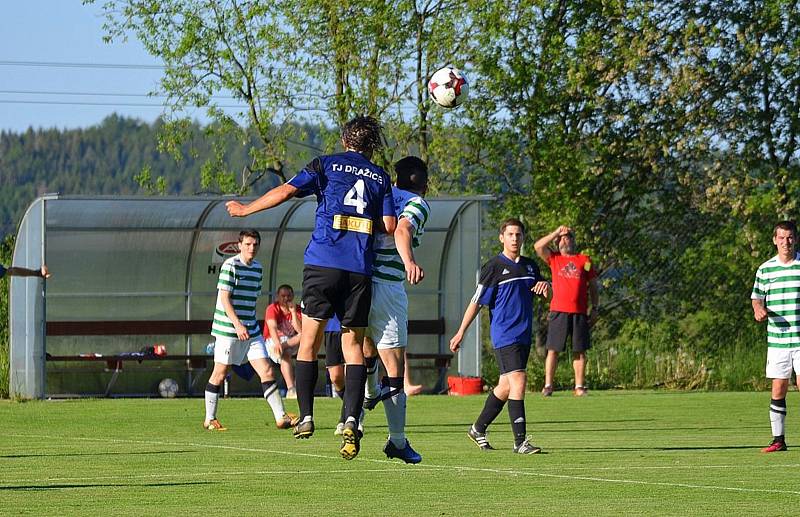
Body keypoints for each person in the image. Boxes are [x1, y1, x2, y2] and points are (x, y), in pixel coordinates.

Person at [226, 115, 397, 460]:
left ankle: (305, 416)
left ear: (346, 138)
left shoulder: (327, 164)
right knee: (353, 348)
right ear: (371, 145)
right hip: (358, 270)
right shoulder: (380, 176)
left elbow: (286, 190)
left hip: (322, 262)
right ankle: (350, 418)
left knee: (309, 342)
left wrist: (246, 210)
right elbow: (390, 225)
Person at [450, 218, 550, 454]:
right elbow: (477, 302)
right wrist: (461, 331)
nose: (515, 238)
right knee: (519, 380)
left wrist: (547, 287)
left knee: (505, 385)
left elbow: (545, 292)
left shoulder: (530, 266)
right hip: (505, 334)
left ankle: (478, 428)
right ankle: (520, 442)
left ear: (523, 238)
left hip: (523, 334)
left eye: (518, 235)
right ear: (501, 238)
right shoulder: (493, 267)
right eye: (510, 234)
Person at [362, 156, 428, 464]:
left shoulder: (378, 192)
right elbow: (402, 231)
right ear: (424, 184)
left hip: (357, 279)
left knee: (363, 350)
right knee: (394, 367)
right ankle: (397, 441)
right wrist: (409, 261)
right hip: (387, 286)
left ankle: (367, 395)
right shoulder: (416, 202)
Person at [203, 229, 298, 431]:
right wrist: (237, 324)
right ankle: (210, 418)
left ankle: (281, 417)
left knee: (266, 370)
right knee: (220, 373)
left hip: (251, 331)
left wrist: (248, 325)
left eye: (255, 244)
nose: (251, 248)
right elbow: (224, 298)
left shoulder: (258, 268)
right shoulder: (230, 266)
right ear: (239, 245)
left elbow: (252, 299)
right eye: (247, 244)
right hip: (229, 329)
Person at [751, 220, 800, 453]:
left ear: (795, 239)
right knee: (778, 388)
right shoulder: (765, 269)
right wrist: (758, 309)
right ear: (774, 240)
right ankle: (778, 440)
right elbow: (757, 297)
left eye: (789, 237)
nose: (786, 242)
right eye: (781, 238)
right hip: (778, 339)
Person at [534, 225, 599, 397]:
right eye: (561, 238)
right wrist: (556, 232)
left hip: (579, 312)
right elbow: (538, 247)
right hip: (558, 311)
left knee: (579, 350)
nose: (565, 239)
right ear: (557, 242)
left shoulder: (584, 260)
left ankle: (579, 386)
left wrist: (595, 308)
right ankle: (548, 385)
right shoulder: (554, 259)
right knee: (553, 349)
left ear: (573, 239)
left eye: (568, 236)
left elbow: (593, 285)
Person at [264, 284, 302, 399]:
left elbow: (300, 331)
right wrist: (277, 343)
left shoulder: (297, 309)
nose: (286, 299)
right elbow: (272, 328)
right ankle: (291, 389)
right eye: (283, 296)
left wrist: (294, 313)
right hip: (274, 341)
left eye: (289, 296)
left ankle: (298, 388)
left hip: (291, 342)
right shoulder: (272, 308)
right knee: (285, 355)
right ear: (277, 296)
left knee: (305, 336)